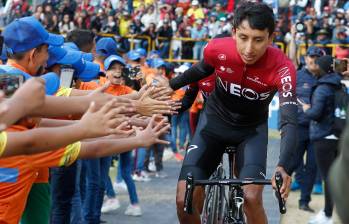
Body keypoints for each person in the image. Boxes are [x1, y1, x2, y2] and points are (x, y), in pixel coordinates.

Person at [159, 2, 297, 223]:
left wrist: (284, 166)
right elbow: (200, 70)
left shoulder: (282, 67)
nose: (249, 48)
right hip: (213, 124)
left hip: (250, 131)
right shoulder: (217, 48)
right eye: (243, 37)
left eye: (258, 39)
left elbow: (290, 121)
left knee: (252, 198)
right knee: (182, 200)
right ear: (234, 33)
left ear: (271, 39)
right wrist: (170, 85)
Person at [301, 55, 342, 224]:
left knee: (328, 178)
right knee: (337, 177)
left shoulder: (323, 88)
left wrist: (306, 109)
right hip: (339, 136)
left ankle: (327, 215)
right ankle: (328, 213)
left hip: (323, 137)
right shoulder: (341, 85)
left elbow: (315, 113)